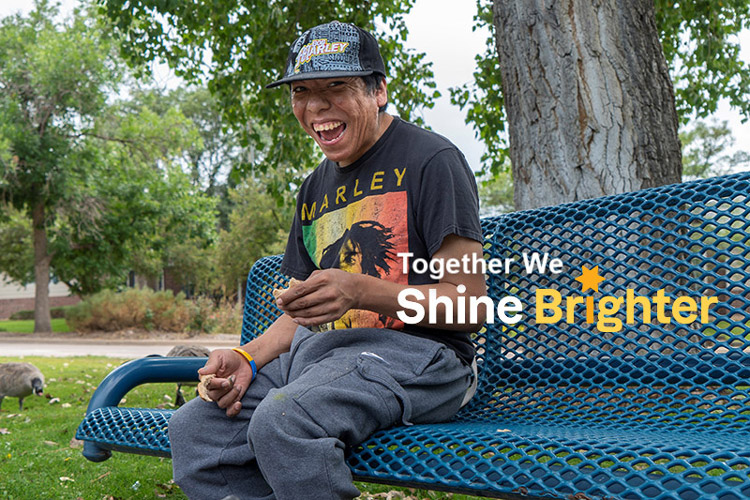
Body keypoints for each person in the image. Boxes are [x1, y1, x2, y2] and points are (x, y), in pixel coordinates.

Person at [168, 20, 486, 500]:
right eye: (302, 92)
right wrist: (245, 358)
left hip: (424, 359)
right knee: (197, 429)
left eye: (336, 87)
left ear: (379, 90)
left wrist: (360, 290)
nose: (316, 106)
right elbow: (300, 316)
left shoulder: (431, 160)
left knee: (284, 419)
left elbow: (470, 306)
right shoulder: (314, 188)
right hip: (326, 361)